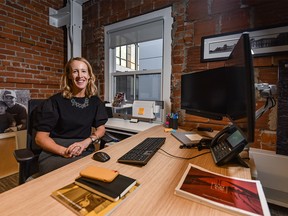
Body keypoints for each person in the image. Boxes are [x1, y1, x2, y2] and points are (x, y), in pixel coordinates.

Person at [34, 57, 108, 175]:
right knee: (83, 171)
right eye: (75, 71)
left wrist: (86, 142)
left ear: (89, 75)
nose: (80, 75)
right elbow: (40, 138)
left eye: (83, 71)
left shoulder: (95, 102)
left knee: (96, 171)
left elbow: (101, 129)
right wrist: (64, 151)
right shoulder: (55, 102)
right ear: (69, 76)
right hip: (55, 151)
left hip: (83, 149)